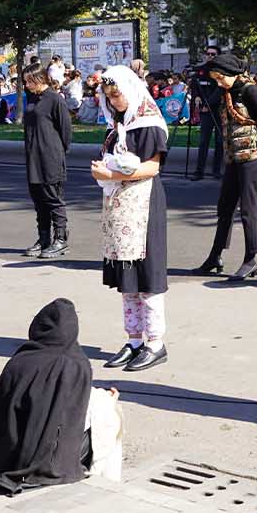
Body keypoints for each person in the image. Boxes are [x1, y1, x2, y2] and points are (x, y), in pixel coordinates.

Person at [0, 298, 122, 495]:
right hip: (48, 464)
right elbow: (71, 416)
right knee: (110, 415)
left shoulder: (20, 359)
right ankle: (109, 484)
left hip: (0, 458)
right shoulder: (77, 364)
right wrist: (108, 401)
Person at [92, 66, 171, 372]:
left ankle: (155, 342)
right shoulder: (119, 124)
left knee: (147, 275)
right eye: (109, 97)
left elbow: (152, 168)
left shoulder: (147, 122)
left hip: (144, 204)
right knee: (127, 276)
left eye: (117, 95)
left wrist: (109, 173)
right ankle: (134, 339)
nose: (114, 101)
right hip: (120, 205)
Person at [192, 53, 257, 282]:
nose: (218, 82)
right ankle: (215, 256)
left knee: (249, 210)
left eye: (220, 78)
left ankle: (250, 260)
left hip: (252, 158)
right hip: (233, 157)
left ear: (231, 73)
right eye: (216, 79)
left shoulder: (250, 91)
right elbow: (209, 102)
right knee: (225, 207)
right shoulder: (226, 90)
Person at [21, 62, 74, 259]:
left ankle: (60, 239)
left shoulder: (54, 99)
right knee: (39, 200)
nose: (26, 85)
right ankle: (43, 238)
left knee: (53, 199)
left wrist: (59, 151)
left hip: (50, 156)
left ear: (39, 78)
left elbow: (66, 130)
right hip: (33, 156)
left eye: (29, 81)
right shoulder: (32, 98)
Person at [189, 45, 225, 181]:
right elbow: (195, 86)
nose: (210, 56)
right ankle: (199, 171)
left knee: (219, 141)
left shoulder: (221, 71)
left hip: (218, 110)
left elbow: (220, 90)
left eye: (213, 54)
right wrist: (197, 96)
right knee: (203, 141)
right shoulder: (201, 70)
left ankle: (216, 171)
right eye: (208, 54)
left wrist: (208, 104)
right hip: (205, 111)